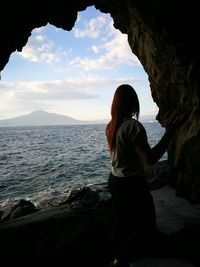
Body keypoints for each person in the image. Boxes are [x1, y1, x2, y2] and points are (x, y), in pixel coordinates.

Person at [106, 84, 177, 267]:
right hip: (132, 184)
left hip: (114, 180)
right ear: (133, 103)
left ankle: (119, 256)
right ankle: (119, 262)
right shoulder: (133, 126)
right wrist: (169, 133)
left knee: (123, 225)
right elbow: (150, 159)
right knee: (144, 226)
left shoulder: (111, 126)